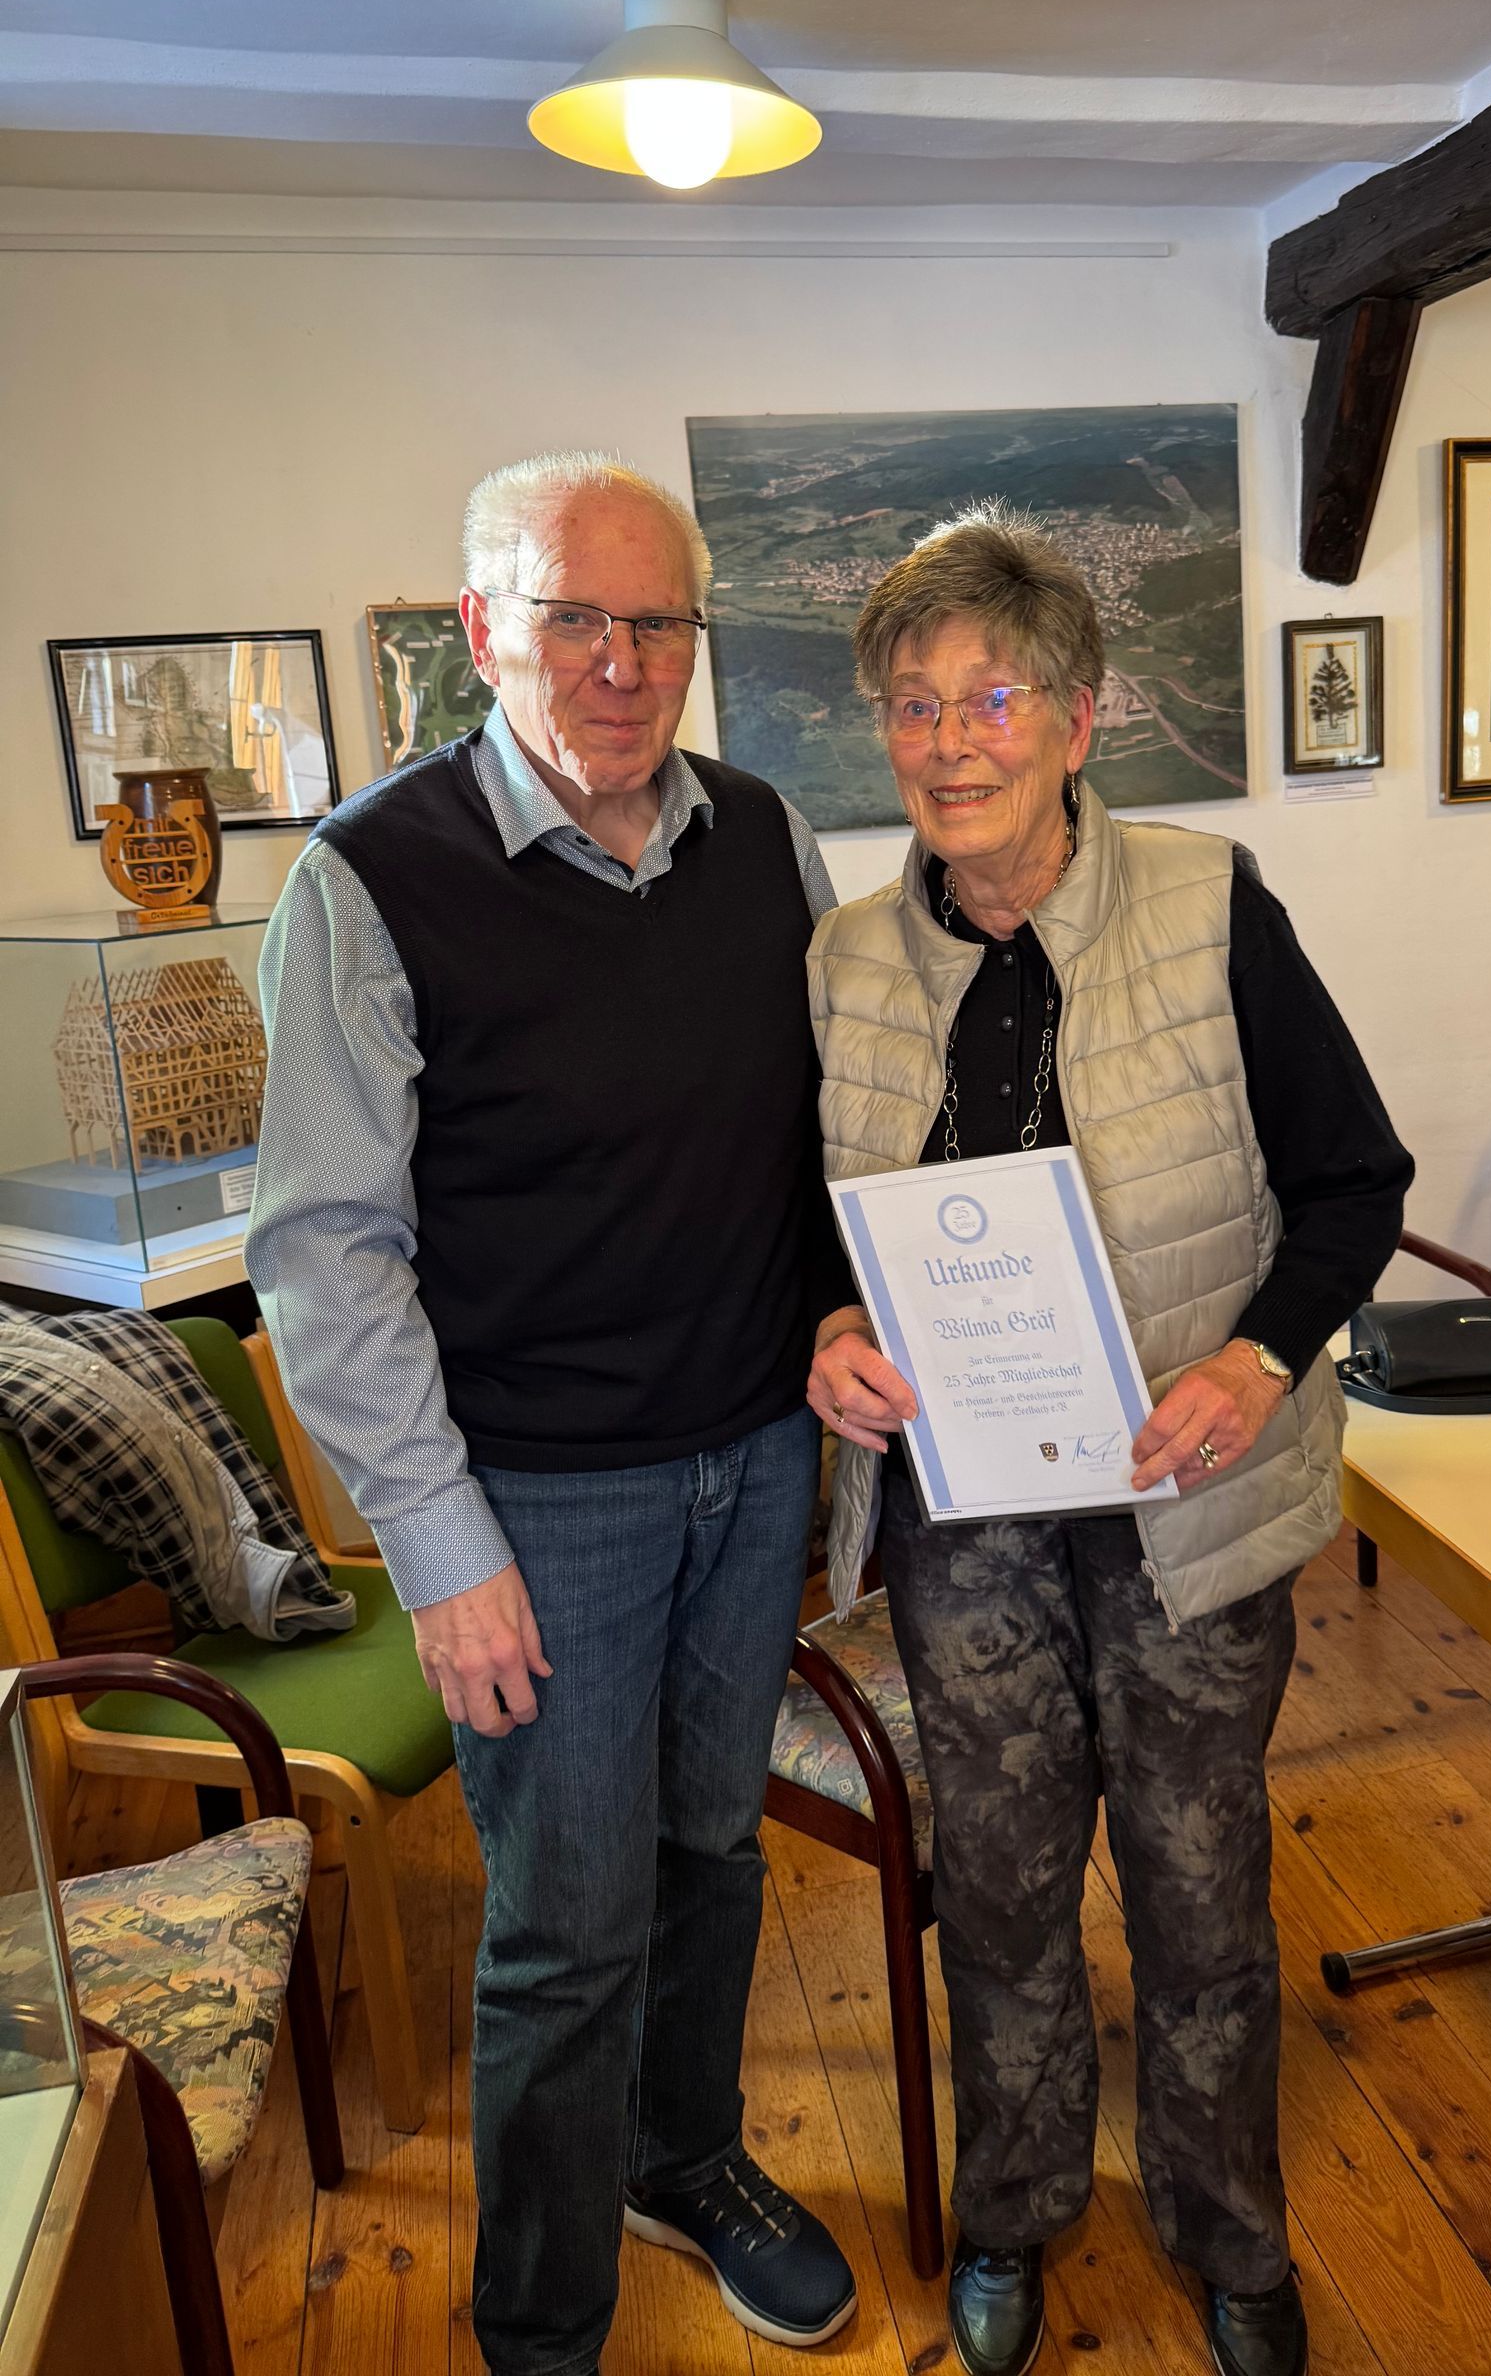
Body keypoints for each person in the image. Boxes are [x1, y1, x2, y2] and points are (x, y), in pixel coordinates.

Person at [247, 453, 856, 2376]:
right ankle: (541, 2329)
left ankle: (684, 2157)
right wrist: (443, 1555)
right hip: (540, 1504)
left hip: (755, 1461)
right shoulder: (369, 881)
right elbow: (326, 1254)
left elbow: (821, 1135)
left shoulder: (767, 839)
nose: (619, 661)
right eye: (572, 616)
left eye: (657, 621)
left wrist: (848, 1313)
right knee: (569, 1927)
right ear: (482, 628)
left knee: (715, 1853)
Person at [806, 508, 1411, 2376]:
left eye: (992, 697)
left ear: (1079, 720)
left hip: (1183, 1505)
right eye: (914, 705)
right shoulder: (841, 959)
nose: (950, 741)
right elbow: (801, 1223)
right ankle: (1016, 2213)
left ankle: (1233, 2237)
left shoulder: (1214, 905)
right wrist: (827, 1332)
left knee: (1199, 1888)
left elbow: (1354, 1181)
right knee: (996, 1890)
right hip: (966, 1524)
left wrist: (1255, 1360)